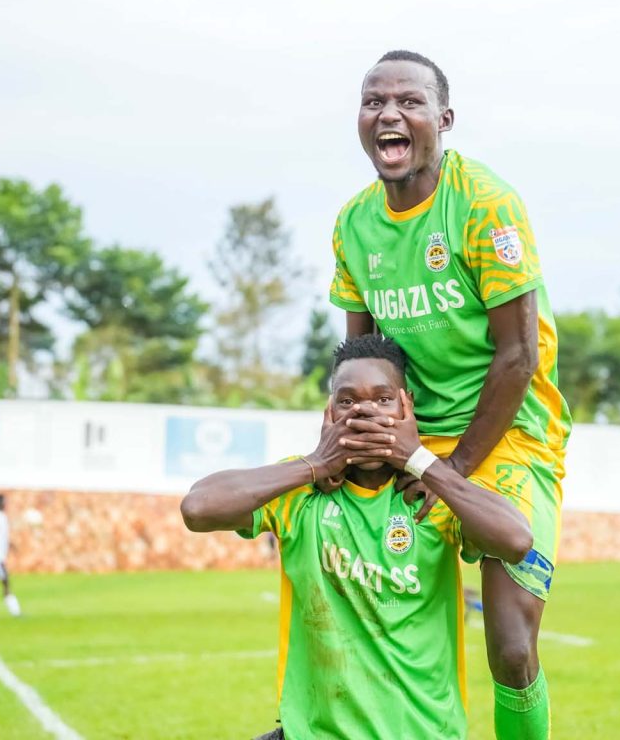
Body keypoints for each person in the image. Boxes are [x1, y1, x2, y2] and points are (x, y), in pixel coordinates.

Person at [329, 50, 572, 738]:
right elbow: (364, 361)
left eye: (408, 102)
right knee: (359, 606)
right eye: (374, 102)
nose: (389, 114)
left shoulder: (485, 205)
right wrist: (346, 453)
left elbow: (518, 356)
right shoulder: (353, 225)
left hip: (511, 434)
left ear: (444, 119)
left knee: (513, 645)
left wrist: (450, 469)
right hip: (411, 437)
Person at [180, 335, 531, 739]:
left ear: (407, 406)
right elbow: (198, 507)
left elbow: (516, 539)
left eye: (383, 399)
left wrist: (421, 462)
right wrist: (315, 463)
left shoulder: (432, 495)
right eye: (347, 401)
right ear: (328, 412)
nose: (364, 411)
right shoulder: (302, 490)